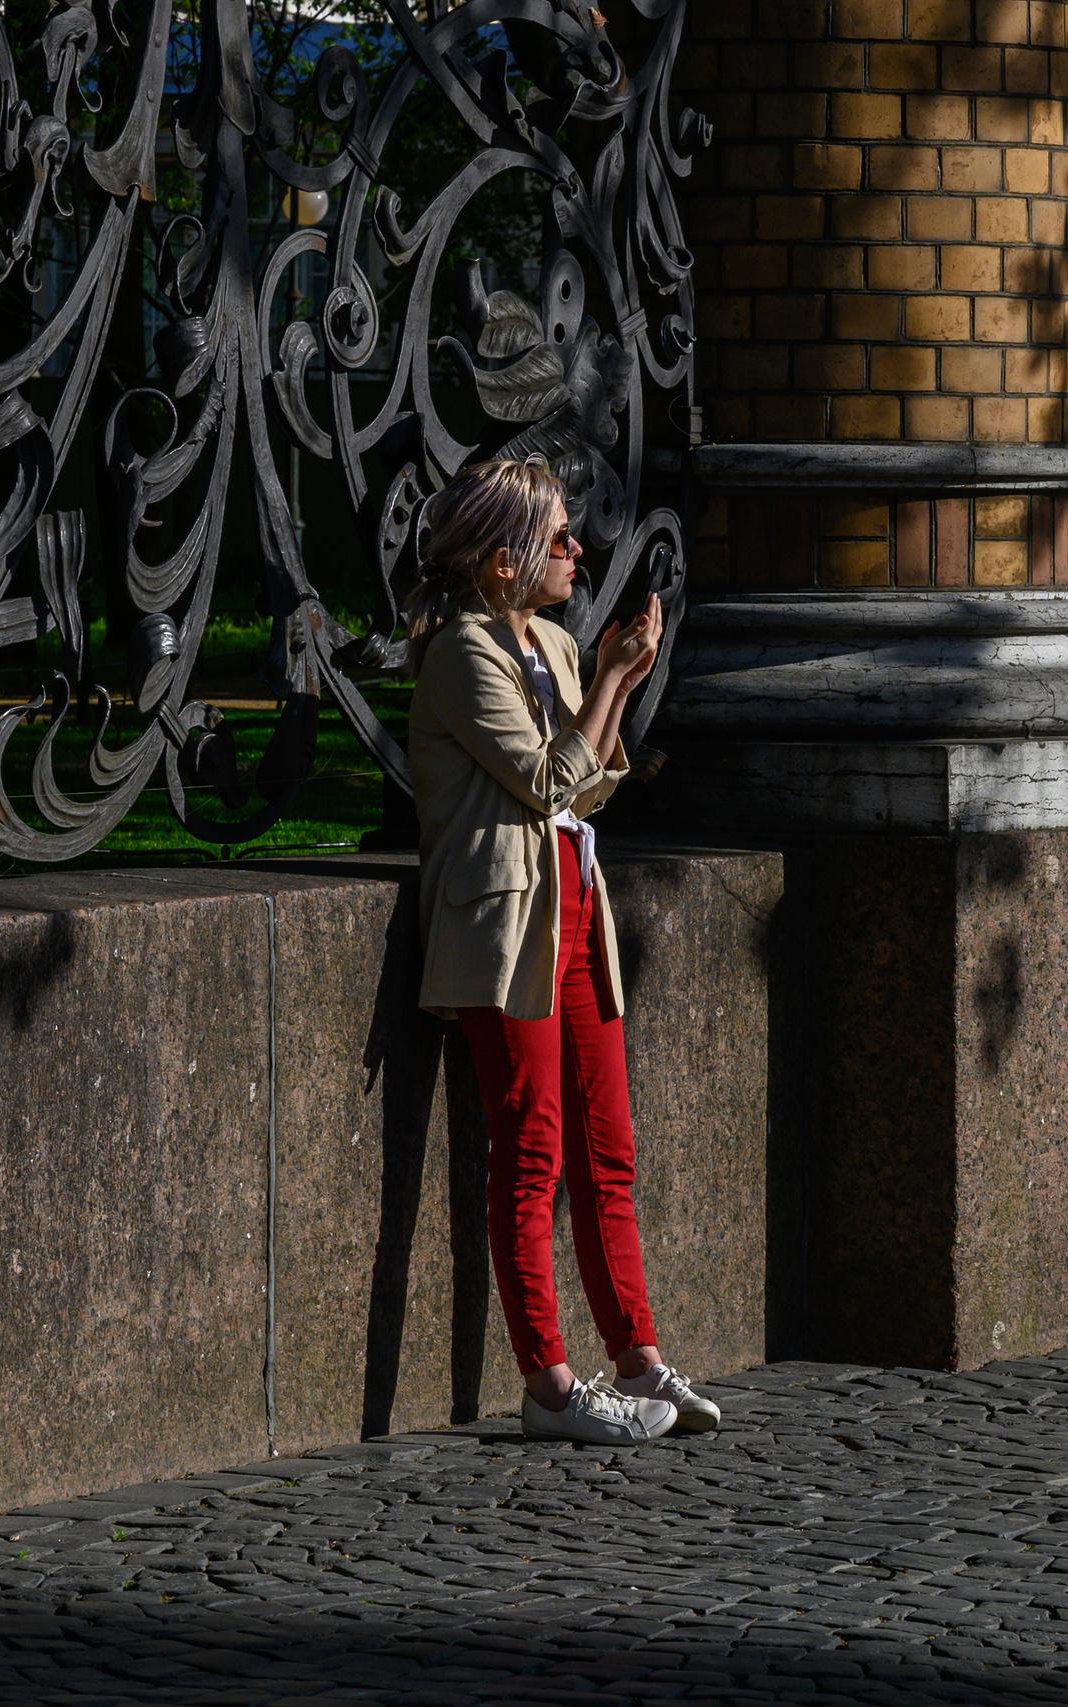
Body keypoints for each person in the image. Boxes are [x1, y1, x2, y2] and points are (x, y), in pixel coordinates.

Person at [404, 456, 719, 1445]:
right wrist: (617, 676)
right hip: (508, 924)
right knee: (531, 1150)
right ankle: (548, 1387)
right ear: (501, 559)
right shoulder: (462, 653)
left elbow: (584, 787)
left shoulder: (547, 640)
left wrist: (616, 685)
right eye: (558, 537)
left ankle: (638, 1356)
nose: (577, 549)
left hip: (578, 904)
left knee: (606, 1146)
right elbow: (544, 782)